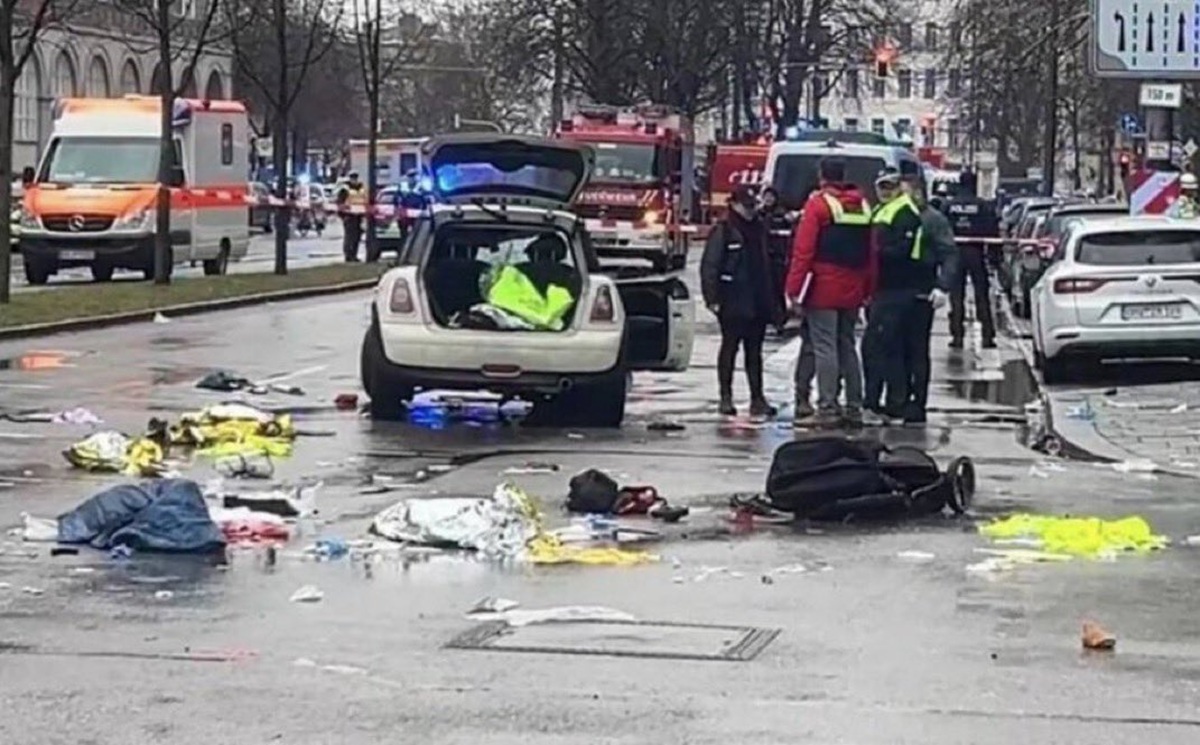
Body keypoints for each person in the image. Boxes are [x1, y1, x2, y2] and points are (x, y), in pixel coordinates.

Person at [785, 157, 873, 428]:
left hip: (823, 287)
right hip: (854, 286)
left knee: (824, 347)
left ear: (822, 176)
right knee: (847, 345)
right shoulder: (863, 206)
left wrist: (793, 290)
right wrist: (868, 288)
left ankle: (827, 407)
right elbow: (872, 253)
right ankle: (854, 406)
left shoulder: (818, 206)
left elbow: (804, 252)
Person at [865, 170, 957, 425]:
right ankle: (899, 401)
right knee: (894, 349)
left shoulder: (932, 220)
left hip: (920, 292)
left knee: (915, 350)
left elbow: (948, 253)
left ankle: (916, 404)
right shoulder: (889, 214)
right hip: (895, 291)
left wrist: (942, 286)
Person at [701, 184, 782, 419]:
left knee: (754, 351)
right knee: (730, 348)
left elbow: (770, 264)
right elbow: (711, 265)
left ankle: (757, 398)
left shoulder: (760, 228)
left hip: (758, 298)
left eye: (752, 206)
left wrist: (775, 300)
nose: (750, 211)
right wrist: (712, 298)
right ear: (734, 204)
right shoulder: (724, 230)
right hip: (733, 299)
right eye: (746, 206)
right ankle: (725, 397)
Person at [943, 170, 1000, 348]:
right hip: (976, 253)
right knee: (981, 295)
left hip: (955, 253)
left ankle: (957, 335)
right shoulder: (982, 206)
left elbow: (943, 229)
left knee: (956, 296)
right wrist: (994, 256)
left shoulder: (949, 205)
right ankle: (987, 335)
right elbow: (992, 231)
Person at [759, 186, 792, 332]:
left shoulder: (782, 215)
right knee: (766, 289)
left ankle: (780, 318)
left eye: (771, 197)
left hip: (778, 257)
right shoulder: (759, 214)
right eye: (766, 197)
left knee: (778, 289)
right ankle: (768, 317)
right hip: (763, 257)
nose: (768, 200)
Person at [336, 171, 368, 262]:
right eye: (352, 178)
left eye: (355, 178)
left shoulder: (361, 188)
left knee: (357, 237)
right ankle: (348, 255)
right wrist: (343, 216)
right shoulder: (345, 189)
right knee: (349, 237)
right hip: (349, 217)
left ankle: (354, 255)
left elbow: (364, 200)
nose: (354, 180)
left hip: (358, 217)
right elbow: (340, 204)